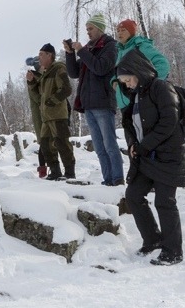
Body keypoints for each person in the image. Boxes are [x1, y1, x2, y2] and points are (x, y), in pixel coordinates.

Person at [116, 50, 185, 265]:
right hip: (147, 157)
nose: (127, 85)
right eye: (124, 82)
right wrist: (132, 145)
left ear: (138, 72)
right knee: (133, 195)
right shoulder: (136, 95)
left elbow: (169, 121)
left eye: (128, 80)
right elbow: (132, 126)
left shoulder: (161, 87)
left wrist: (143, 146)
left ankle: (173, 252)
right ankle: (153, 240)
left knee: (165, 202)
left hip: (168, 156)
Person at [64, 14, 124, 186]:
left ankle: (118, 179)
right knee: (99, 147)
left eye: (90, 28)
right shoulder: (90, 49)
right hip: (88, 104)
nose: (88, 32)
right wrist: (70, 54)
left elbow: (100, 68)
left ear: (100, 28)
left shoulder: (111, 46)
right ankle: (108, 179)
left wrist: (82, 51)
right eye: (86, 29)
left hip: (103, 102)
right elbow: (74, 73)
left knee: (109, 144)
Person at [112, 19, 169, 169]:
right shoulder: (120, 50)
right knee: (132, 143)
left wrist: (150, 87)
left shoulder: (141, 46)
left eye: (123, 30)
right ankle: (138, 174)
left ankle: (150, 174)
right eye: (118, 30)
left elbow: (163, 64)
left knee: (144, 143)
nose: (119, 33)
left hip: (142, 103)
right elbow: (118, 72)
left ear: (132, 32)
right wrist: (114, 82)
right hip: (126, 103)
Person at [30, 43, 75, 181]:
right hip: (46, 117)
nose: (39, 58)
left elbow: (66, 89)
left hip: (57, 115)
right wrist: (31, 82)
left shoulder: (58, 69)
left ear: (50, 55)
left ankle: (70, 173)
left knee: (62, 144)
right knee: (45, 145)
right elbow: (38, 97)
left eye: (41, 55)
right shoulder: (45, 73)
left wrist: (52, 101)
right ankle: (55, 171)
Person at [25, 56, 47, 177]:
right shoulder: (33, 78)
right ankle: (43, 170)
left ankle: (49, 169)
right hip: (40, 115)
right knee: (44, 142)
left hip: (46, 113)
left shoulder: (42, 76)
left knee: (49, 142)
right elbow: (38, 98)